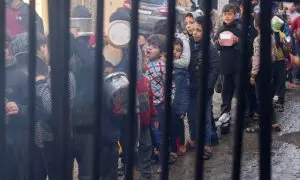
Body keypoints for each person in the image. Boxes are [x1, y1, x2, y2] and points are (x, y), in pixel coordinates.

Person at [188, 16, 219, 160]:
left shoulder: (210, 48)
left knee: (204, 117)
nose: (194, 33)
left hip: (204, 88)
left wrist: (209, 86)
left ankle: (206, 145)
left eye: (198, 30)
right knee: (192, 116)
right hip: (191, 87)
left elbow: (214, 69)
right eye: (193, 30)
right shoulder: (189, 45)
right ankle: (194, 139)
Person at [247, 13, 281, 133]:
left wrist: (253, 75)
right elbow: (275, 53)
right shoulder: (270, 36)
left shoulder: (257, 40)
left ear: (256, 25)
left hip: (261, 71)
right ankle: (274, 122)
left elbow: (257, 58)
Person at [214, 4, 242, 134]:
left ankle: (244, 117)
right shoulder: (220, 29)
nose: (226, 16)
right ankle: (225, 118)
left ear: (235, 15)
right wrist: (218, 43)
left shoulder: (239, 28)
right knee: (225, 95)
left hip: (237, 67)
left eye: (229, 14)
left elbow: (247, 47)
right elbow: (215, 45)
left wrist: (238, 42)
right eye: (225, 14)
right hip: (224, 68)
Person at [144, 34, 167, 173]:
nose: (149, 48)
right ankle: (152, 157)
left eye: (154, 47)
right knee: (149, 134)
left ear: (161, 52)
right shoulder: (143, 62)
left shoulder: (162, 66)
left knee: (158, 134)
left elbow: (170, 85)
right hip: (145, 105)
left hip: (158, 105)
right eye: (148, 45)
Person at [136, 57, 157, 180]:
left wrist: (154, 116)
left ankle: (146, 174)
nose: (147, 65)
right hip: (131, 122)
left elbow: (150, 99)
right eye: (144, 62)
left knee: (147, 145)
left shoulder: (145, 80)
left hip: (144, 121)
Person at [170, 38, 189, 158]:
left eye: (178, 51)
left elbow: (184, 92)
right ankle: (171, 147)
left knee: (178, 126)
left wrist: (183, 109)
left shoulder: (182, 72)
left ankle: (179, 145)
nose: (174, 52)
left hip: (177, 106)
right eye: (172, 49)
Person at [271, 16, 291, 112]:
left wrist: (285, 45)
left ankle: (280, 101)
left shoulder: (282, 35)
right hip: (271, 61)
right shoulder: (268, 35)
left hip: (281, 60)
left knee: (281, 81)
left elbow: (287, 50)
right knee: (273, 80)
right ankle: (273, 100)